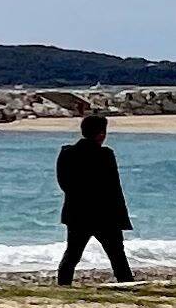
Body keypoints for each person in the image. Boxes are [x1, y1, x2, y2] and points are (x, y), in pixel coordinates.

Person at [54, 110, 134, 285]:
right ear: (101, 134)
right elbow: (114, 188)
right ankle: (126, 284)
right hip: (105, 214)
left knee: (72, 254)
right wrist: (122, 217)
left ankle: (63, 286)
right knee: (117, 256)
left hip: (76, 212)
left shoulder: (67, 153)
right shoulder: (105, 155)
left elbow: (64, 184)